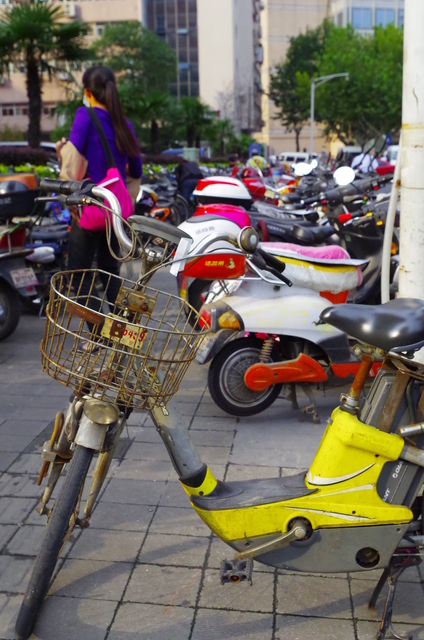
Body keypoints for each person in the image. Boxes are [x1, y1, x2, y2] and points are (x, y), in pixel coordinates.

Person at [58, 65, 142, 332]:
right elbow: (136, 170)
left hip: (88, 207)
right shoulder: (124, 124)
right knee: (109, 272)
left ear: (87, 92)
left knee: (79, 275)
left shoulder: (85, 115)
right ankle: (122, 333)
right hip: (114, 211)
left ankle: (98, 335)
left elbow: (73, 159)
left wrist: (63, 151)